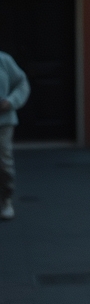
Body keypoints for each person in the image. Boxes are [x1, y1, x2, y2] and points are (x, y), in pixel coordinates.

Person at [0, 50, 30, 221]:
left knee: (4, 163)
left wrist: (10, 102)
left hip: (3, 121)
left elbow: (22, 83)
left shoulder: (4, 60)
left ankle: (6, 199)